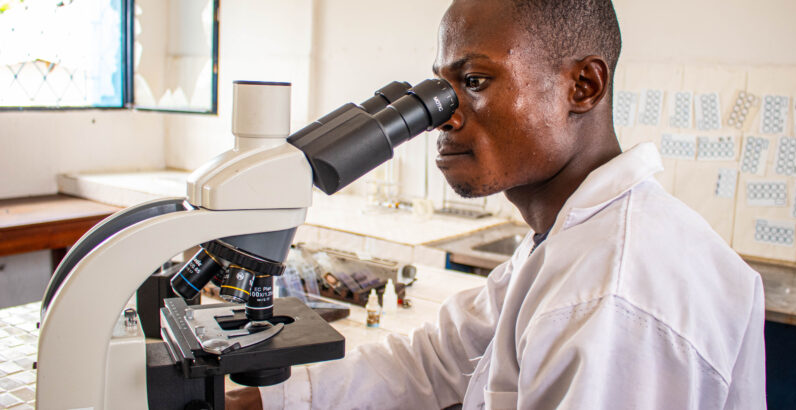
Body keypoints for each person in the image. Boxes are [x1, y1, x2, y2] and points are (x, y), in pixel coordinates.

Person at [228, 0, 766, 408]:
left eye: (474, 81)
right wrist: (262, 402)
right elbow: (434, 362)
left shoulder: (611, 294)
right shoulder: (569, 241)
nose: (442, 117)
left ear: (583, 86)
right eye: (439, 90)